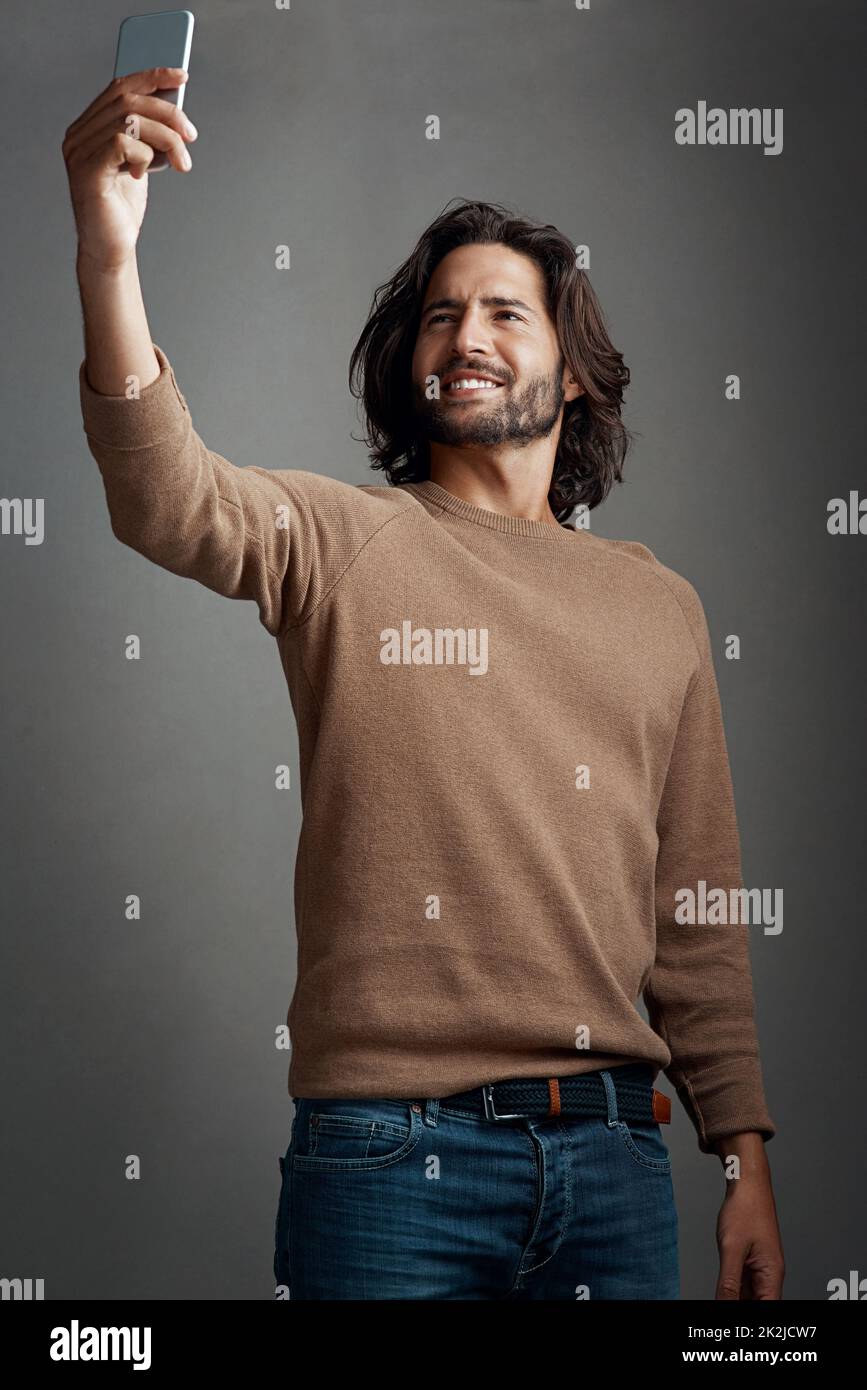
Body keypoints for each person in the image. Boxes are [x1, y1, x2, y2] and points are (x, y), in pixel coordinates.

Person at [63, 66, 784, 1301]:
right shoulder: (342, 539)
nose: (466, 337)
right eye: (443, 316)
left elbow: (699, 913)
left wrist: (746, 1162)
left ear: (577, 373)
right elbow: (165, 496)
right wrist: (107, 255)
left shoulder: (662, 607)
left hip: (617, 1160)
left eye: (507, 313)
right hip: (389, 1160)